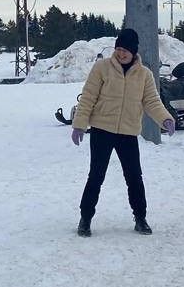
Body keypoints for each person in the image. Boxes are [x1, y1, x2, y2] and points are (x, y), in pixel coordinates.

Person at [70, 28, 175, 237]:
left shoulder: (144, 74)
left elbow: (151, 101)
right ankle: (85, 219)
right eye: (118, 49)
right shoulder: (102, 68)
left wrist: (165, 118)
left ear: (134, 51)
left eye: (125, 50)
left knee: (134, 176)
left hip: (127, 132)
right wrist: (79, 124)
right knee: (96, 176)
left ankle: (140, 218)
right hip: (102, 130)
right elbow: (88, 97)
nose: (121, 53)